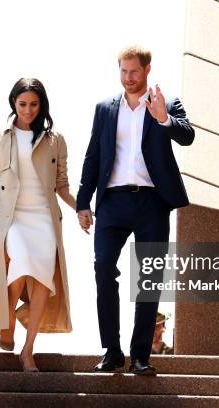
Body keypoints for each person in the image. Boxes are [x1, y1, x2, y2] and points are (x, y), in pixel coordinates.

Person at [76, 45, 195, 375]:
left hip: (152, 202)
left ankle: (140, 355)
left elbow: (187, 136)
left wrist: (163, 118)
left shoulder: (166, 104)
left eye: (134, 71)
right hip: (112, 202)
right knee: (103, 269)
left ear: (147, 70)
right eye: (123, 71)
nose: (128, 78)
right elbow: (93, 157)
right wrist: (82, 202)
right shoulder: (105, 109)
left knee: (150, 277)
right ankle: (112, 351)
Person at [0, 78, 76, 372]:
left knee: (42, 280)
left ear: (41, 105)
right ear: (13, 104)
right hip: (10, 217)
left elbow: (62, 185)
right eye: (22, 104)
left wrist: (82, 208)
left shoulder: (55, 140)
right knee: (22, 262)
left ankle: (27, 350)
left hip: (44, 219)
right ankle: (6, 318)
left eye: (34, 104)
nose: (28, 110)